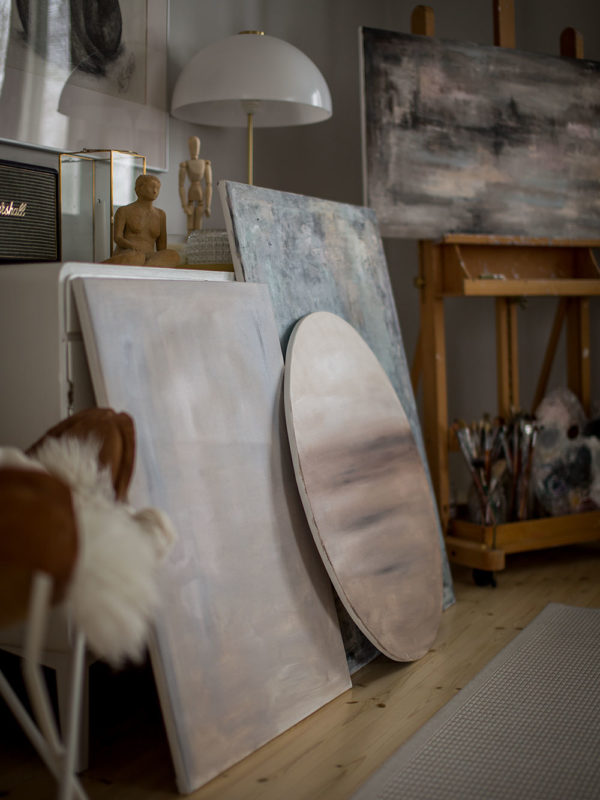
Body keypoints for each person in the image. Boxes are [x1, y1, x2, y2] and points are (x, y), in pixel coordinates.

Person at [103, 174, 180, 267]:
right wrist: (131, 246)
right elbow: (118, 238)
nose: (155, 191)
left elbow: (162, 247)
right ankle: (145, 268)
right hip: (129, 253)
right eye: (151, 187)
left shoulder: (161, 214)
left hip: (149, 256)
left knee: (173, 255)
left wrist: (162, 256)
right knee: (136, 257)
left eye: (157, 188)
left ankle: (145, 268)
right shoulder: (124, 210)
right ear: (139, 189)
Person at [179, 136, 212, 234]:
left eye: (196, 146)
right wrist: (184, 205)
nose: (194, 149)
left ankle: (196, 235)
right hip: (192, 194)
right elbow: (181, 185)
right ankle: (190, 235)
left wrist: (208, 206)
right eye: (192, 146)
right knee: (190, 216)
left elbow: (209, 185)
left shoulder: (205, 163)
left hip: (199, 193)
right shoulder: (186, 164)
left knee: (199, 218)